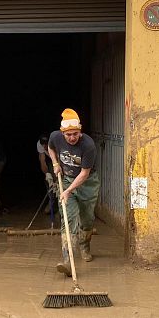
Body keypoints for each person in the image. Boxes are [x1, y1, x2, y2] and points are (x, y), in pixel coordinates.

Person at [48, 108, 100, 275]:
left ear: (80, 131)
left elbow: (84, 174)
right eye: (68, 134)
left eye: (75, 134)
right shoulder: (55, 137)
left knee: (87, 219)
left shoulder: (88, 145)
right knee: (68, 219)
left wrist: (69, 190)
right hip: (67, 180)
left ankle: (85, 245)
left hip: (87, 184)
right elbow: (50, 148)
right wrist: (55, 163)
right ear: (62, 133)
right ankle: (67, 260)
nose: (72, 138)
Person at [36, 133, 57, 219]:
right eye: (43, 144)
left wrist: (56, 178)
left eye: (46, 144)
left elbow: (59, 160)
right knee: (49, 182)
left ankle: (61, 208)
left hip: (59, 158)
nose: (44, 146)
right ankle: (51, 201)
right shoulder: (39, 144)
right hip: (50, 159)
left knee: (58, 181)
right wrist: (47, 174)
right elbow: (42, 160)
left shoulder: (56, 143)